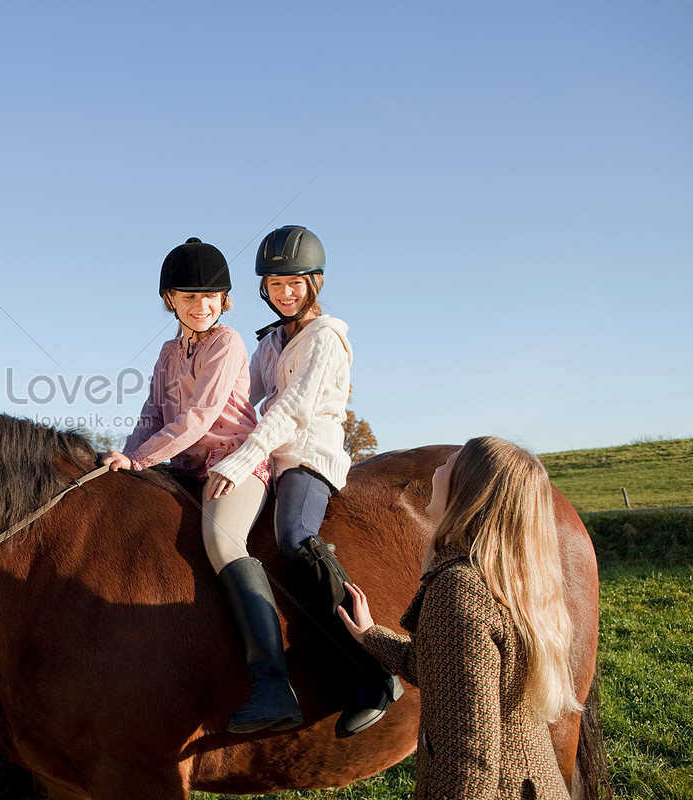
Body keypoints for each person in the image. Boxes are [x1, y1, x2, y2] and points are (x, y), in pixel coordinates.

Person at [206, 225, 401, 738]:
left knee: (293, 538)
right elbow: (242, 397)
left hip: (307, 455)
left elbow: (293, 409)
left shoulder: (327, 337)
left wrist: (245, 454)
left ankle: (375, 669)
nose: (284, 292)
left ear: (313, 282)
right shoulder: (270, 342)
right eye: (273, 284)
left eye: (294, 282)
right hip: (270, 454)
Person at [102, 236, 302, 734]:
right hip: (183, 465)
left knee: (220, 539)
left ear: (224, 300)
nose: (200, 306)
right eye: (188, 297)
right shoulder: (168, 353)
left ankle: (274, 684)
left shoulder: (228, 343)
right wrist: (127, 458)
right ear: (170, 300)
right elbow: (153, 413)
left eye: (209, 297)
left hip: (234, 462)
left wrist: (142, 458)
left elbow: (199, 415)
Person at [338, 436, 582, 799]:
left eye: (447, 467)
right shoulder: (512, 579)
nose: (435, 472)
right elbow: (443, 671)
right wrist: (371, 635)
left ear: (467, 491)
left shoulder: (459, 588)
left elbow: (470, 758)